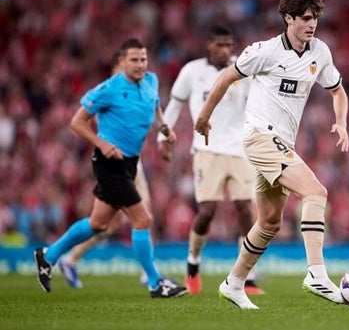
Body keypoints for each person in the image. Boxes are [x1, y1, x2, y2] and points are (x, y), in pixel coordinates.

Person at [195, 0, 349, 309]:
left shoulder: (320, 52)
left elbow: (338, 91)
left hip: (282, 142)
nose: (312, 24)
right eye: (306, 18)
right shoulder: (264, 51)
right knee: (315, 192)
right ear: (288, 18)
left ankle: (234, 283)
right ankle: (317, 274)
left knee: (269, 223)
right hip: (259, 137)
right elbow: (225, 78)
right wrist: (204, 118)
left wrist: (341, 122)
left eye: (315, 18)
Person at [34, 38, 187, 298]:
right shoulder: (109, 88)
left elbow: (155, 105)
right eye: (134, 60)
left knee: (98, 224)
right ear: (122, 62)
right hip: (109, 163)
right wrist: (102, 144)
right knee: (143, 218)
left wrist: (163, 126)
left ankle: (48, 255)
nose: (140, 65)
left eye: (143, 60)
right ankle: (154, 282)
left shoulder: (151, 81)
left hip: (129, 162)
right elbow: (77, 122)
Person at [157, 25, 264, 295]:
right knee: (207, 211)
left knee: (245, 209)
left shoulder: (242, 70)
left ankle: (246, 276)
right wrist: (163, 137)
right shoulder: (192, 71)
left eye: (229, 45)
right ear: (209, 45)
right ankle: (193, 264)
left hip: (240, 150)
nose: (226, 50)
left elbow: (259, 101)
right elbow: (175, 104)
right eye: (220, 45)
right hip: (207, 150)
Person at [57, 52, 153, 289]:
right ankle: (149, 274)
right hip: (115, 163)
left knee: (105, 224)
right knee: (142, 213)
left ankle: (70, 258)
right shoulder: (109, 92)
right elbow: (85, 123)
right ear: (119, 67)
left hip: (131, 162)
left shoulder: (134, 88)